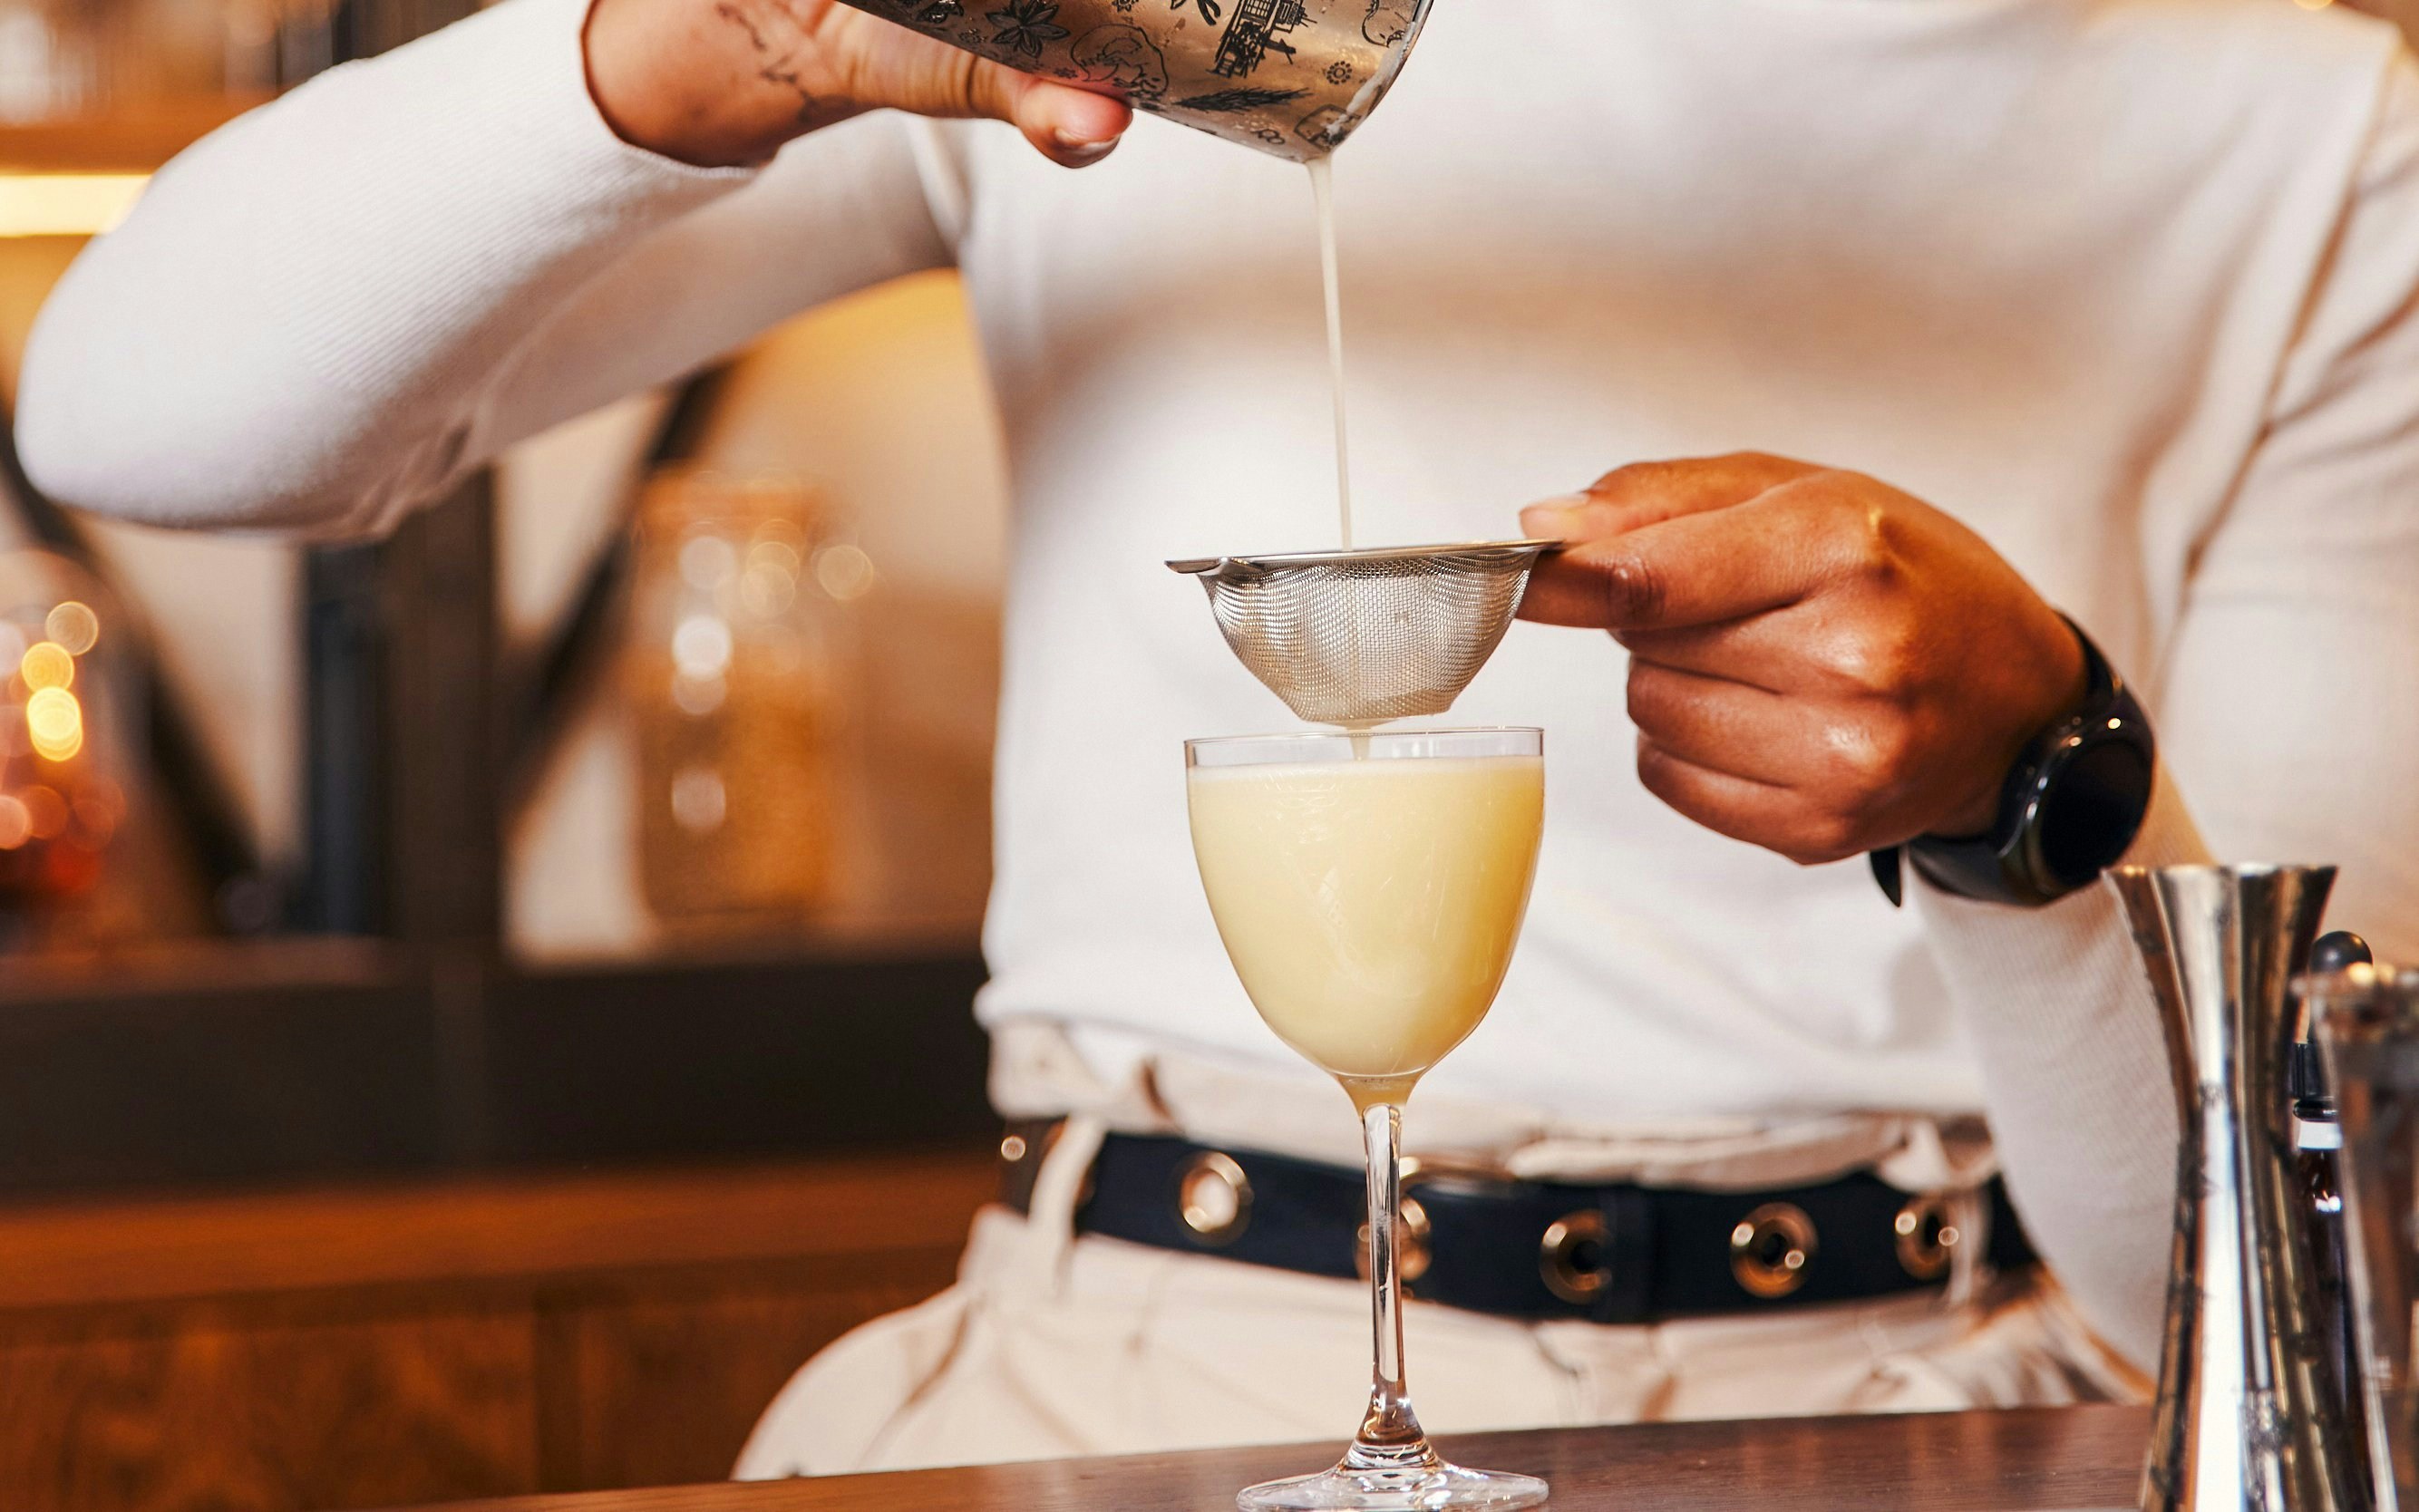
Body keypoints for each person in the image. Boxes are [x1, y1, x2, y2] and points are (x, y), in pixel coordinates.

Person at [19, 0, 2419, 1476]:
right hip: (1144, 1379)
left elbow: (2275, 1279)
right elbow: (138, 417)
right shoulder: (1169, 22)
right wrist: (678, 50)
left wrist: (2034, 788)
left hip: (1919, 1408)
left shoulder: (2309, 138)